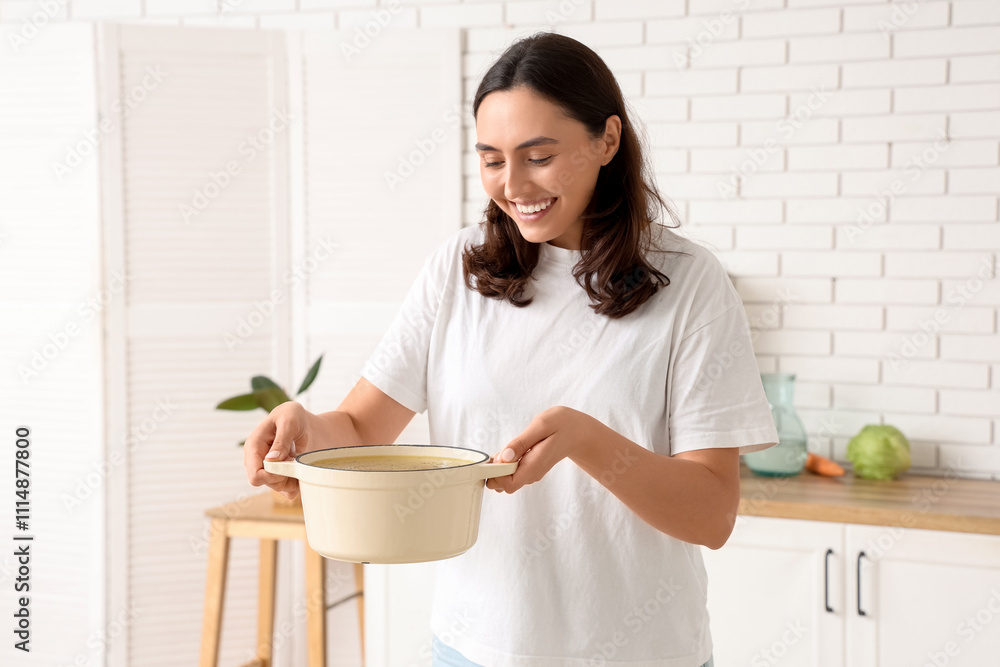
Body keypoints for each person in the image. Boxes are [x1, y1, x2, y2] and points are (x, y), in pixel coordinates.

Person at [245, 32, 777, 667]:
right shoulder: (458, 268)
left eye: (539, 156)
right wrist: (305, 429)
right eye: (492, 159)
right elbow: (361, 428)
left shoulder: (688, 282)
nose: (514, 185)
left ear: (607, 140)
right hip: (473, 648)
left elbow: (711, 515)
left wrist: (586, 440)